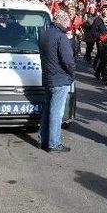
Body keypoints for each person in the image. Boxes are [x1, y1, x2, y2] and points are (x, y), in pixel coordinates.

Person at [37, 11, 76, 153]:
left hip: (48, 77)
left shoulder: (44, 34)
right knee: (56, 112)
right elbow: (68, 61)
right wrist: (72, 73)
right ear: (65, 21)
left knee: (47, 110)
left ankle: (43, 139)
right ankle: (54, 143)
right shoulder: (61, 37)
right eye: (69, 22)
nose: (69, 25)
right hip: (59, 78)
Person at [91, 2, 107, 83]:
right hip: (101, 42)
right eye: (103, 10)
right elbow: (93, 31)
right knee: (103, 59)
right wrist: (99, 36)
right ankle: (105, 77)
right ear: (101, 11)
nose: (105, 11)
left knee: (106, 59)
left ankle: (97, 71)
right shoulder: (98, 19)